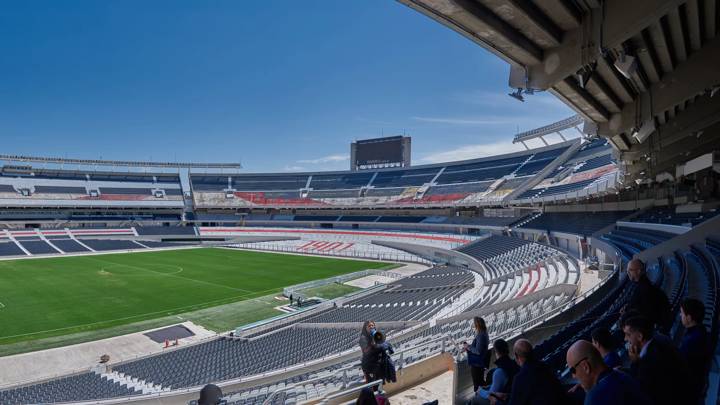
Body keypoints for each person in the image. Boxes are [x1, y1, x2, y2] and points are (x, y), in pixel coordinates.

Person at [623, 315, 689, 405]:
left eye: (628, 334)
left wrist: (635, 363)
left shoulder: (651, 360)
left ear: (639, 336)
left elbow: (639, 389)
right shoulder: (657, 343)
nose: (625, 339)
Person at [565, 340, 651, 405]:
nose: (573, 376)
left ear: (586, 367)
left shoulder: (594, 399)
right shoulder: (623, 372)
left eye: (573, 370)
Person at [491, 339, 567, 405]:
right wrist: (507, 396)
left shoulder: (519, 378)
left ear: (517, 357)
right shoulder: (544, 366)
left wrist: (497, 402)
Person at [623, 258, 672, 331]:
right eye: (627, 270)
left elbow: (644, 313)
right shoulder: (643, 285)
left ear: (639, 271)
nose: (627, 272)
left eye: (630, 270)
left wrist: (626, 312)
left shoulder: (645, 289)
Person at [679, 298, 711, 404]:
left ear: (689, 318)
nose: (680, 316)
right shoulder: (700, 330)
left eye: (682, 313)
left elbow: (683, 368)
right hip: (696, 384)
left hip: (690, 390)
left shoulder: (692, 341)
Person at [472, 339, 518, 405]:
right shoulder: (514, 363)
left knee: (474, 400)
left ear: (496, 352)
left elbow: (491, 394)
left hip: (503, 401)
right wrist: (488, 386)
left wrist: (480, 391)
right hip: (510, 395)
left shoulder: (499, 372)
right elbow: (503, 382)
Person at [464, 317, 490, 392]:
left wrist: (468, 347)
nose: (473, 325)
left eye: (474, 323)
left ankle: (479, 398)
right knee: (480, 381)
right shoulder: (484, 333)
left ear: (477, 325)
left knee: (477, 383)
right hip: (480, 362)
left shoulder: (481, 335)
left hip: (477, 364)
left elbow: (478, 351)